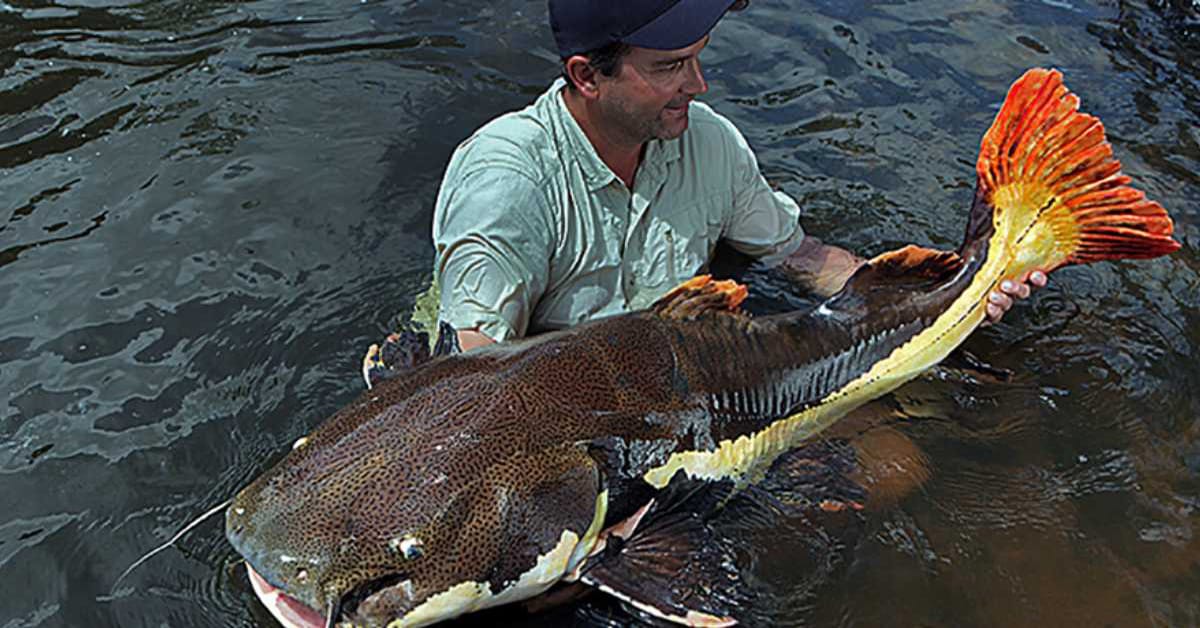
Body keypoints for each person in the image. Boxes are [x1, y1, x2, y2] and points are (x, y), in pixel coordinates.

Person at [428, 0, 1046, 352]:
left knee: (890, 467)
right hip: (568, 407)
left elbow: (801, 258)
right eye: (671, 66)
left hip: (682, 383)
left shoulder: (709, 141)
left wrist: (954, 288)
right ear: (588, 77)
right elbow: (475, 370)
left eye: (698, 58)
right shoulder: (508, 180)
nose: (698, 86)